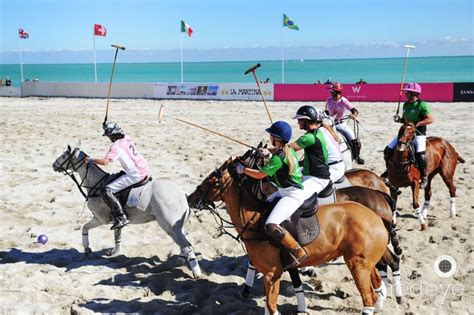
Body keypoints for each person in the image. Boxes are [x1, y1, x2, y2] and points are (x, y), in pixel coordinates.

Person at [236, 121, 307, 270]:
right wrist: (268, 153)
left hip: (291, 195)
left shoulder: (278, 158)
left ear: (276, 138)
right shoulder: (287, 150)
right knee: (262, 206)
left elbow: (260, 174)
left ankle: (297, 250)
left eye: (271, 136)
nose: (269, 137)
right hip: (284, 191)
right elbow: (276, 153)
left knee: (271, 223)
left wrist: (243, 169)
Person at [86, 122, 150, 230]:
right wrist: (106, 126)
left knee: (107, 190)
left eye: (109, 136)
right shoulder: (127, 138)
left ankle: (121, 217)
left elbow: (104, 162)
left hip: (135, 174)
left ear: (113, 135)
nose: (108, 138)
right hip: (145, 169)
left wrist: (90, 160)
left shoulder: (115, 147)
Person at [382, 82, 433, 189]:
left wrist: (417, 124)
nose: (406, 94)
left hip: (419, 133)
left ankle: (424, 177)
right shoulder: (406, 105)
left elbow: (430, 119)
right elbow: (406, 120)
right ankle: (388, 171)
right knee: (388, 150)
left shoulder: (422, 105)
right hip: (406, 132)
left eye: (408, 92)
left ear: (414, 93)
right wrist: (399, 119)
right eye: (406, 92)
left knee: (420, 154)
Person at [293, 105, 345, 183]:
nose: (298, 122)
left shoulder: (317, 134)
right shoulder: (322, 129)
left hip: (331, 168)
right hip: (328, 165)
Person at [289, 106, 332, 200]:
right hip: (311, 172)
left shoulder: (309, 137)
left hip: (317, 178)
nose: (297, 122)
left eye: (299, 120)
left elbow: (286, 149)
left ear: (306, 120)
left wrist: (269, 151)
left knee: (295, 197)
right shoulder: (318, 132)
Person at [325, 82, 365, 164]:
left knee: (354, 139)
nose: (330, 92)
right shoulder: (328, 100)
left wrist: (353, 115)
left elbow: (354, 110)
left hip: (341, 124)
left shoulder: (344, 101)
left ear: (337, 92)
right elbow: (326, 112)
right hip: (329, 124)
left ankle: (357, 157)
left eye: (332, 91)